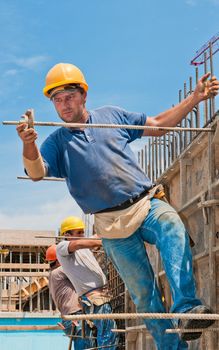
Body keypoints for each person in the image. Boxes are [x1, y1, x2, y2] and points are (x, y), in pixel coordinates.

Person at [16, 63, 219, 350]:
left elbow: (158, 126)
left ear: (83, 95)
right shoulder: (57, 142)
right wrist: (28, 144)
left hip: (145, 204)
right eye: (57, 100)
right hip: (111, 226)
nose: (64, 105)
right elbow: (36, 172)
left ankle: (187, 310)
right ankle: (172, 348)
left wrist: (195, 98)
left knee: (172, 226)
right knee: (144, 296)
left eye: (69, 97)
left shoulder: (110, 116)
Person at [56, 216, 118, 350]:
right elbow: (79, 243)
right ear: (67, 235)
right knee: (108, 334)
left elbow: (93, 237)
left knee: (105, 333)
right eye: (78, 232)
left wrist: (110, 227)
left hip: (99, 296)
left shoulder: (83, 247)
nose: (82, 235)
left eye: (82, 232)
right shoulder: (62, 247)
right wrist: (103, 241)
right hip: (94, 298)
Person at [46, 244, 96, 349]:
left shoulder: (52, 274)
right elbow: (80, 268)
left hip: (70, 317)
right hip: (74, 316)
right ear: (59, 260)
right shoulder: (60, 271)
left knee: (87, 345)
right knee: (86, 346)